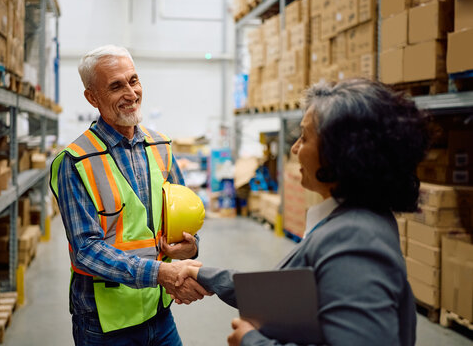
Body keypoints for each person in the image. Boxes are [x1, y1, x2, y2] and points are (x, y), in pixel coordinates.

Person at [176, 79, 430, 345]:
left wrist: (252, 341)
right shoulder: (353, 217)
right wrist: (207, 277)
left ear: (341, 153)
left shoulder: (355, 238)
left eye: (305, 137)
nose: (295, 148)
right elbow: (293, 293)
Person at [49, 44, 210, 346]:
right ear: (92, 97)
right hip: (106, 322)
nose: (131, 93)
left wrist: (189, 248)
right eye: (116, 86)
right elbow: (86, 249)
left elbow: (178, 218)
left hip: (159, 310)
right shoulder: (75, 161)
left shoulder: (160, 147)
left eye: (133, 80)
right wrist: (163, 273)